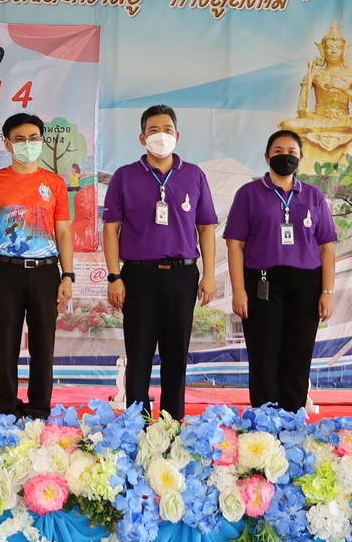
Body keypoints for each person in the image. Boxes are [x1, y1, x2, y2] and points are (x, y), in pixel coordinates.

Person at [103, 104, 218, 420]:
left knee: (175, 354)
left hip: (182, 276)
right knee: (138, 354)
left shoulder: (194, 175)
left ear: (177, 135)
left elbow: (206, 227)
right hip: (138, 276)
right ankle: (135, 425)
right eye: (154, 130)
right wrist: (115, 276)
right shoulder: (124, 177)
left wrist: (208, 275)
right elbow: (111, 230)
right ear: (142, 137)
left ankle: (171, 423)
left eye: (167, 130)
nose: (161, 136)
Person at [226, 128, 339, 412]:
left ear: (300, 158)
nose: (284, 157)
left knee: (298, 355)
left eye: (291, 152)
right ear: (266, 157)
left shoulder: (313, 196)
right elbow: (235, 245)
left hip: (306, 284)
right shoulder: (248, 194)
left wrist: (327, 291)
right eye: (278, 151)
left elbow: (327, 247)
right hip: (262, 282)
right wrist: (239, 291)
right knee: (264, 354)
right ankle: (264, 424)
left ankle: (293, 421)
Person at [0, 112, 74, 419]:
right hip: (6, 272)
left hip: (46, 272)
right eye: (20, 139)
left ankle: (38, 411)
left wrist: (67, 275)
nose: (27, 144)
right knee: (5, 348)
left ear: (42, 142)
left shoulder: (54, 183)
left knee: (43, 347)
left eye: (34, 138)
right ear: (8, 144)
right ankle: (6, 412)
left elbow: (63, 232)